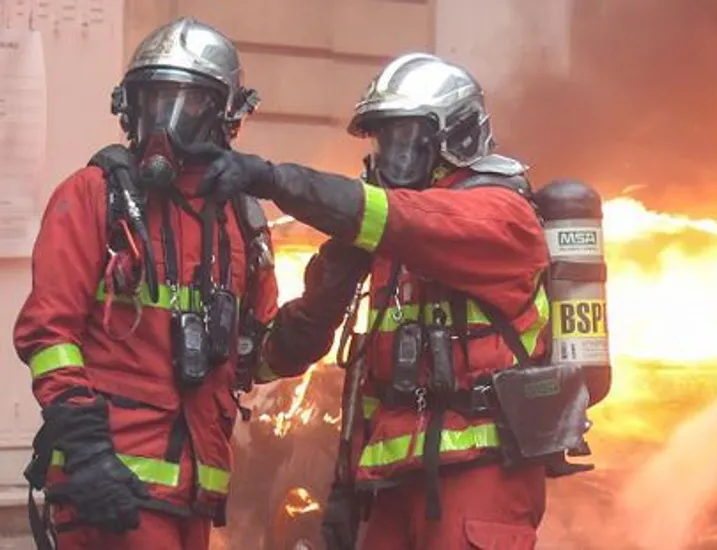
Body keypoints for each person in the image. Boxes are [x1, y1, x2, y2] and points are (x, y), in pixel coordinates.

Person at [197, 53, 557, 550]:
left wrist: (272, 179)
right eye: (385, 143)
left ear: (455, 139)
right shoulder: (394, 243)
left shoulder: (498, 215)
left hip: (480, 478)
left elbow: (400, 217)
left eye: (406, 143)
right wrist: (345, 496)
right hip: (393, 481)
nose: (391, 160)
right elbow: (370, 379)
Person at [13, 17, 325, 550]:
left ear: (228, 115)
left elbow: (251, 358)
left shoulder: (242, 222)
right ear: (129, 106)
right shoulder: (94, 197)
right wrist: (88, 452)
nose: (166, 123)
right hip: (110, 488)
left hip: (191, 493)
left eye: (189, 104)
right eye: (154, 100)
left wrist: (312, 323)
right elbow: (48, 335)